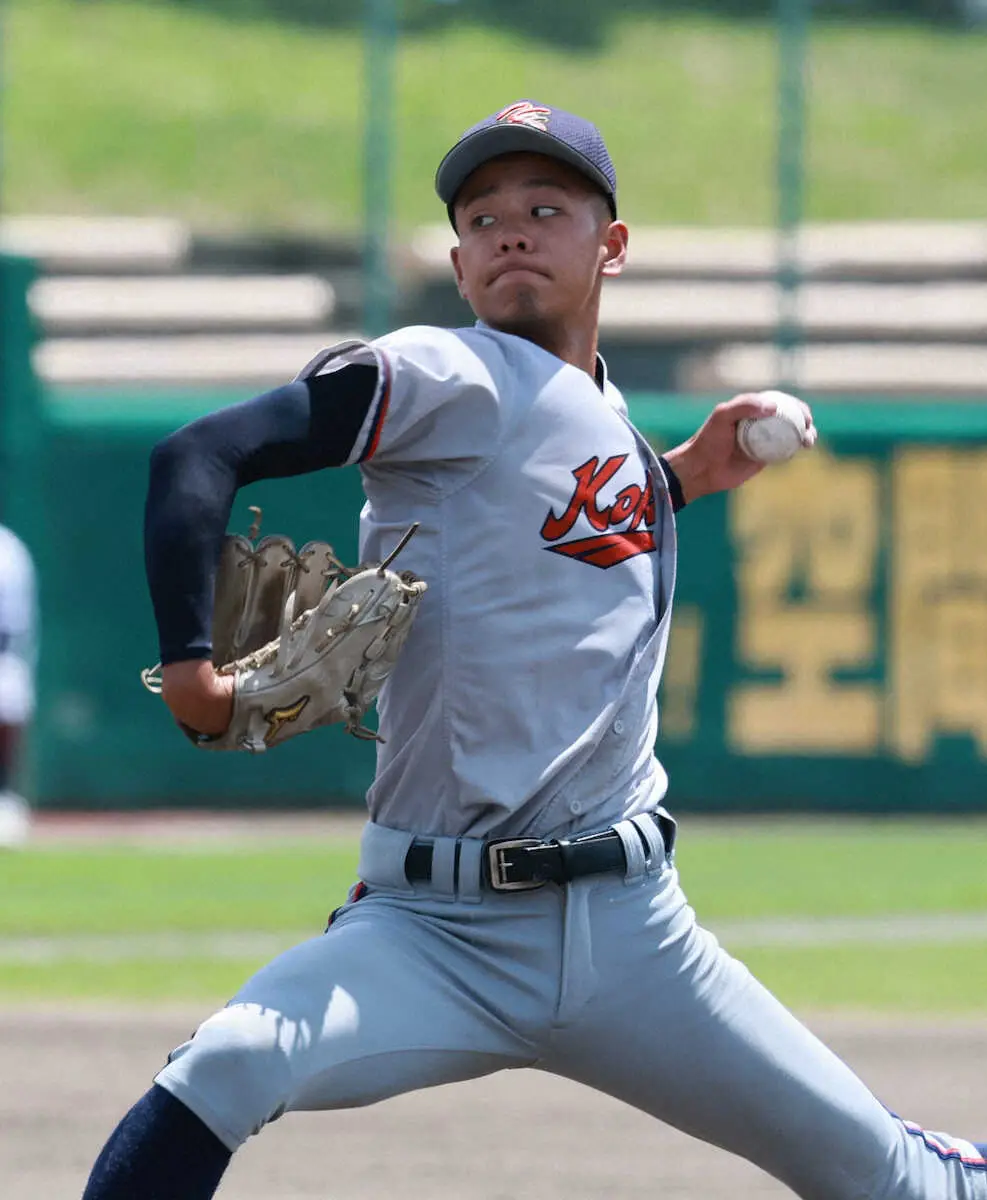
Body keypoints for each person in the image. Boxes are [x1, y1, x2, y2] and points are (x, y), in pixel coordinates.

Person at [82, 101, 987, 1200]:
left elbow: (557, 521)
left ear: (612, 246)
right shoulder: (446, 372)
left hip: (634, 934)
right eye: (482, 217)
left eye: (546, 207)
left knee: (892, 1179)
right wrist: (190, 668)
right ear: (459, 267)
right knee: (227, 1064)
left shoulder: (599, 415)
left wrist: (679, 477)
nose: (510, 228)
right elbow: (197, 455)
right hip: (432, 931)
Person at [0, 522, 37, 849]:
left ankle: (5, 796)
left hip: (4, 656)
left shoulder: (6, 549)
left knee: (8, 693)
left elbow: (12, 628)